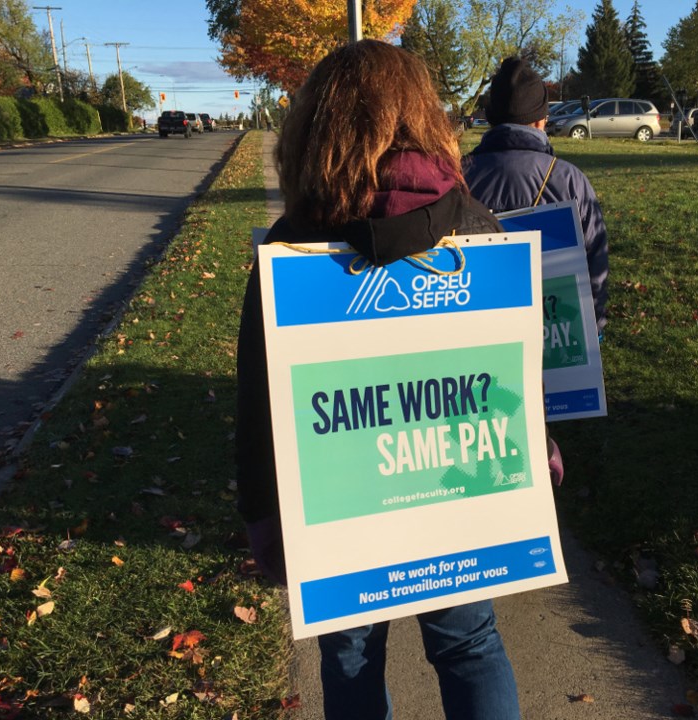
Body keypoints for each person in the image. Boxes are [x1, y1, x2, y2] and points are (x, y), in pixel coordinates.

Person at [234, 40, 521, 720]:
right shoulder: (477, 229)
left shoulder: (291, 248)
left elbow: (258, 402)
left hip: (338, 504)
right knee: (471, 644)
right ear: (426, 118)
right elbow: (511, 369)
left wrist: (262, 517)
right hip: (457, 489)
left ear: (315, 130)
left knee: (351, 654)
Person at [463, 56, 609, 338]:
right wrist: (593, 326)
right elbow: (595, 261)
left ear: (491, 118)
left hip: (480, 335)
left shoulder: (455, 176)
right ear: (542, 119)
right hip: (557, 333)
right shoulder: (570, 180)